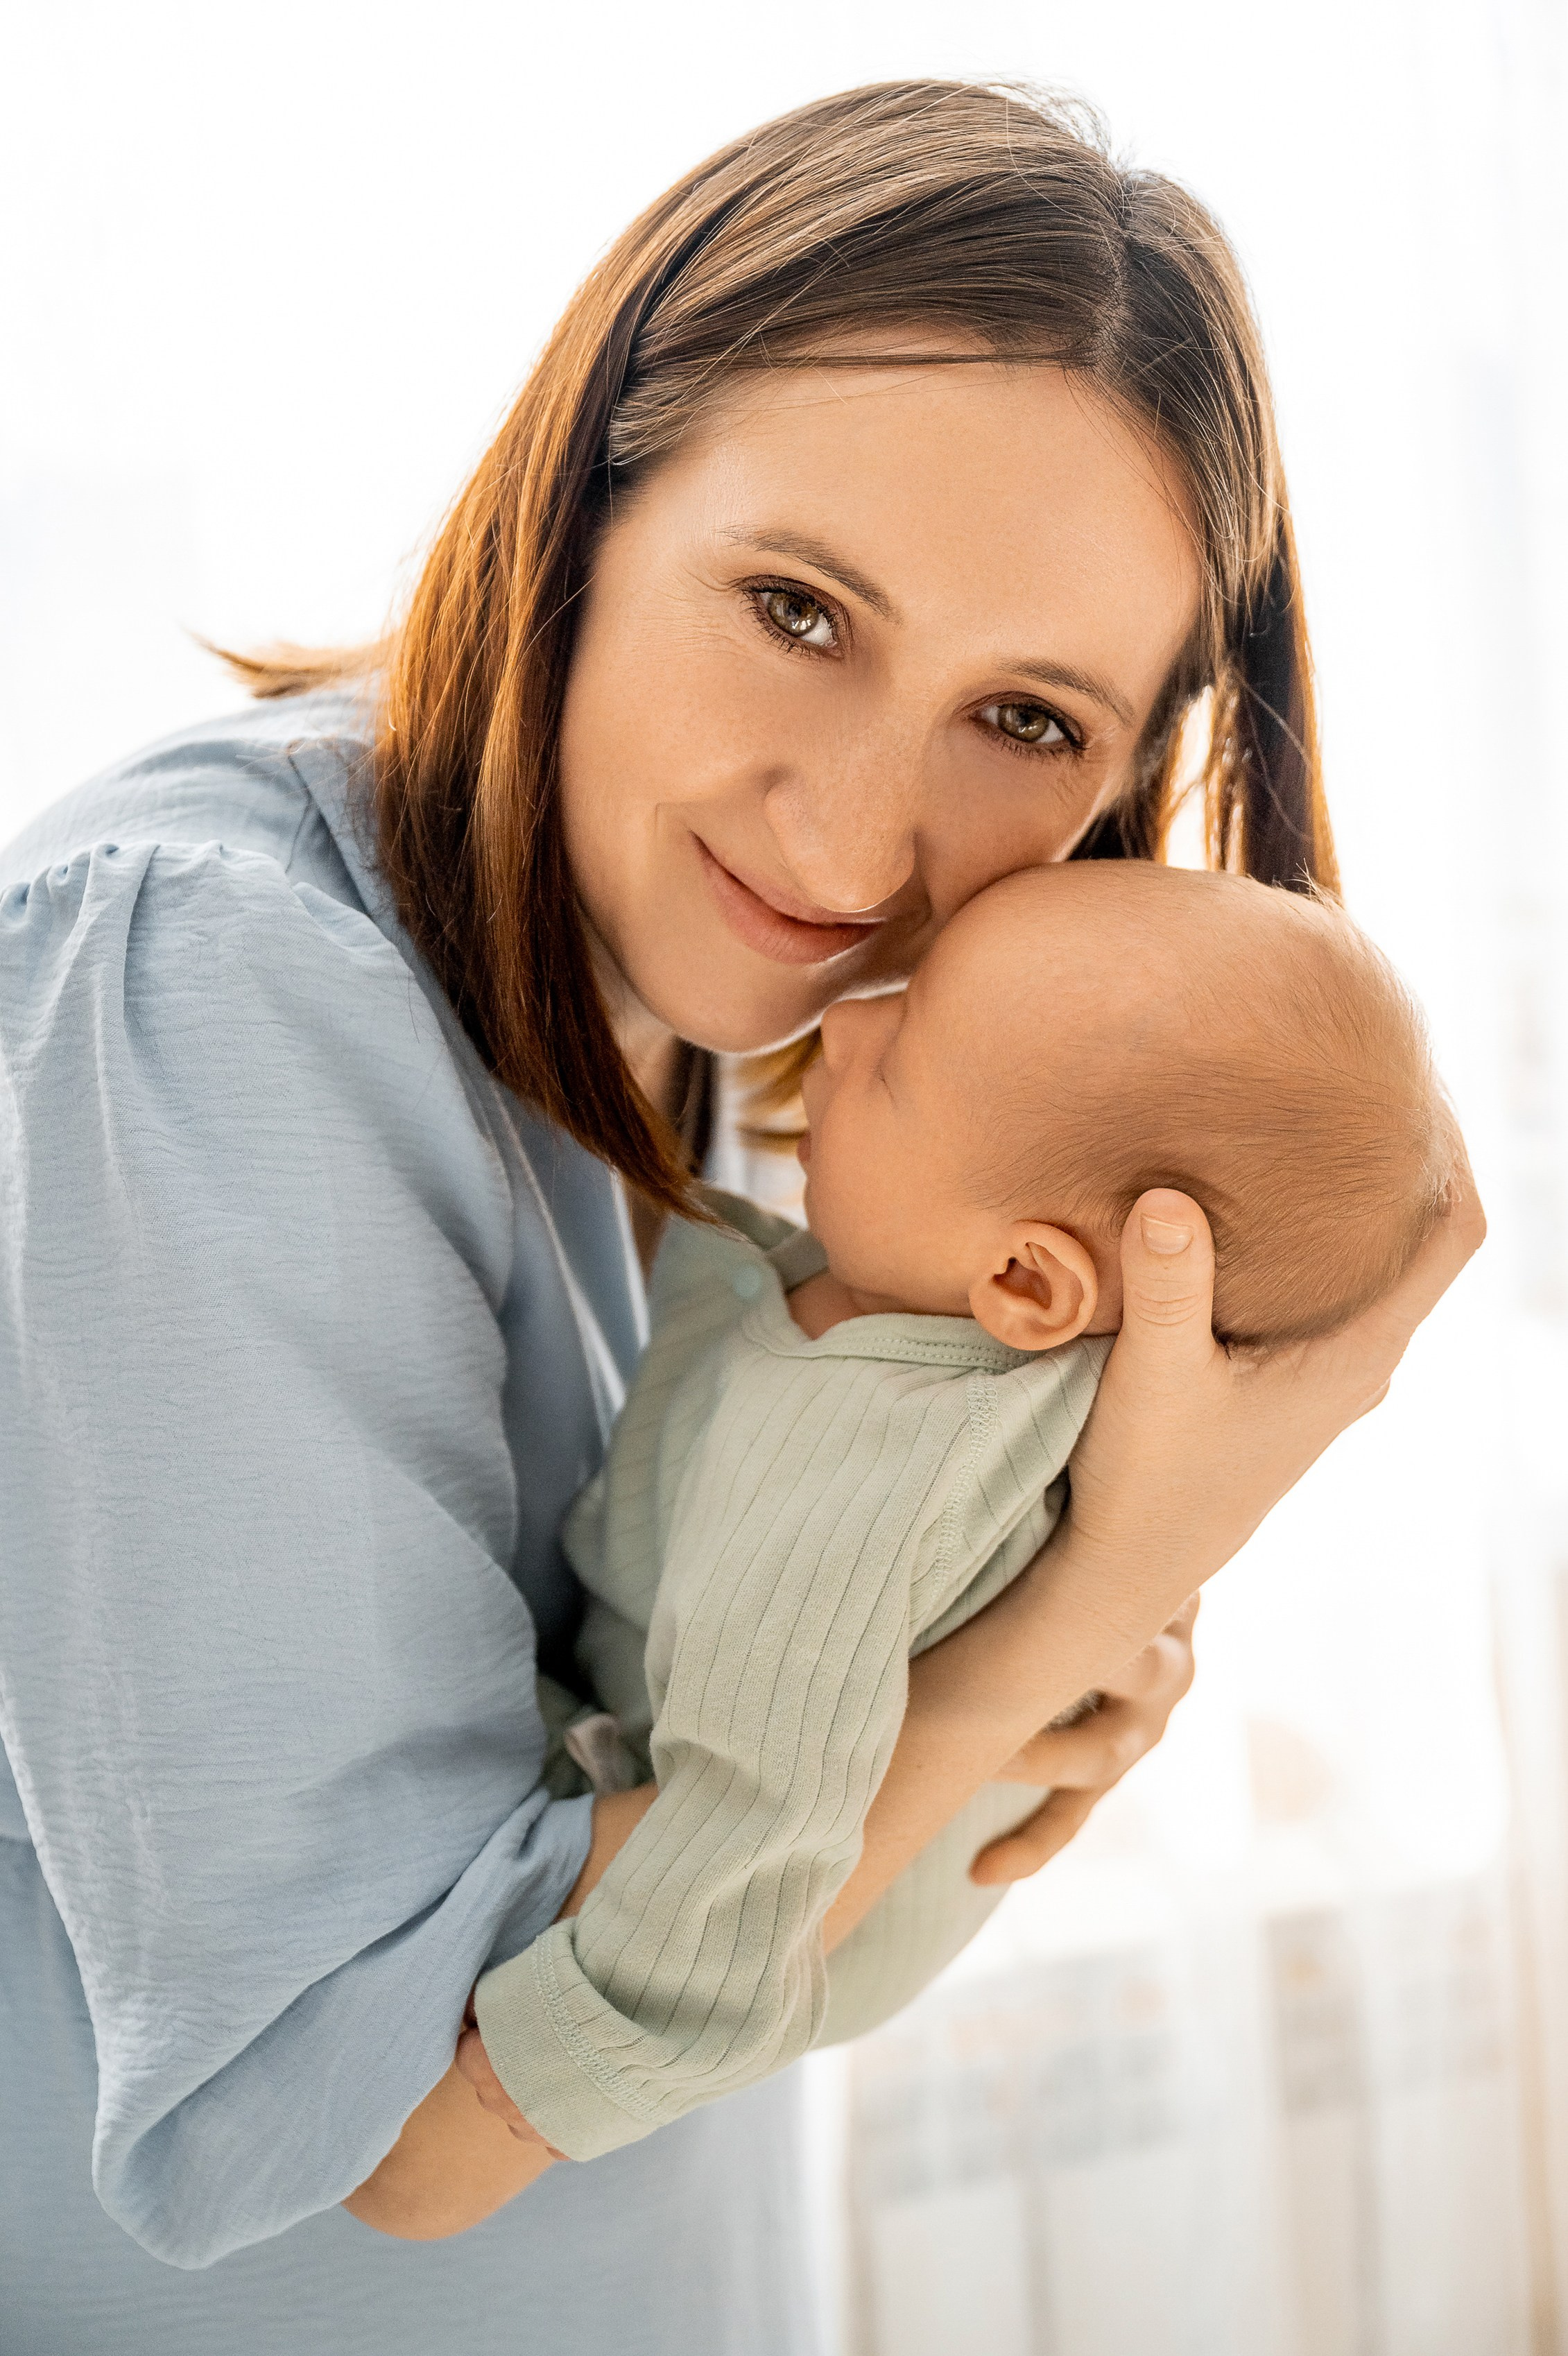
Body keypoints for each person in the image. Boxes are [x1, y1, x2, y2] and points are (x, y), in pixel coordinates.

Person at [0, 80, 1480, 2356]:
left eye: (1024, 713)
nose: (861, 828)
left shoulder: (771, 1020)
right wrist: (1087, 1586)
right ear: (591, 495)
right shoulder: (214, 995)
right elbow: (386, 2115)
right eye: (799, 606)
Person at [466, 858, 1454, 2162]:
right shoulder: (938, 1291)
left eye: (900, 1053)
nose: (845, 1018)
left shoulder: (856, 1489)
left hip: (767, 1894)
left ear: (1025, 1283)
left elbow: (746, 1854)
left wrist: (528, 2085)